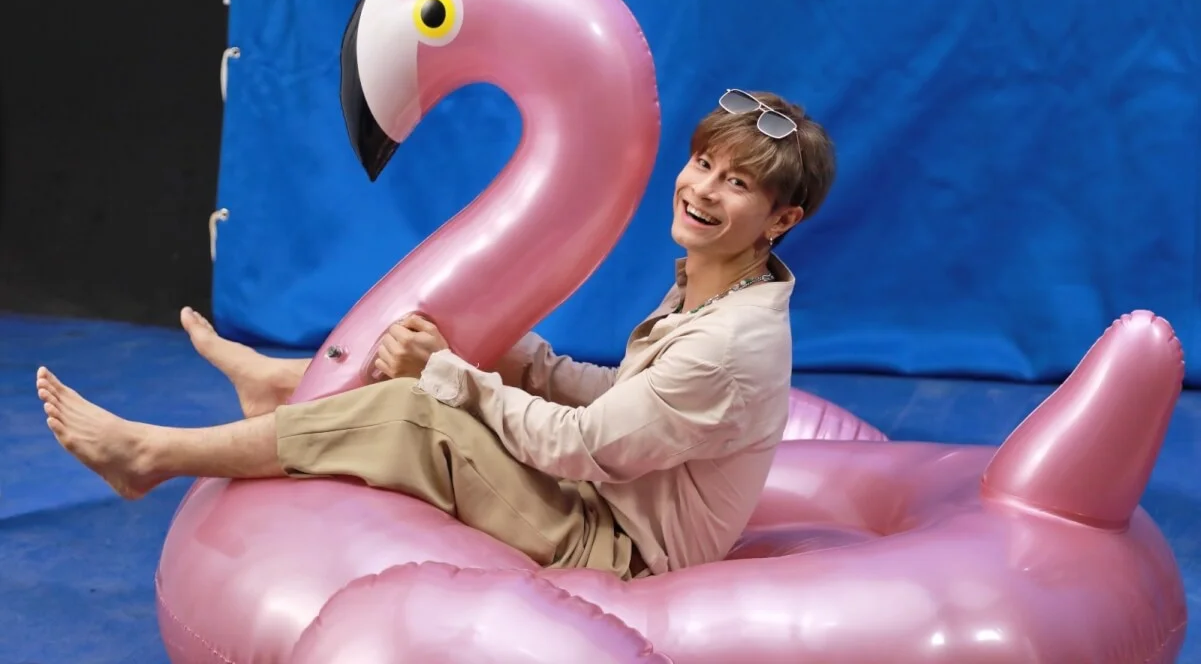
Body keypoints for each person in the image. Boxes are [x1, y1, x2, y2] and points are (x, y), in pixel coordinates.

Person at [35, 89, 836, 580]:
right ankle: (279, 383)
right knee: (481, 348)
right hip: (606, 496)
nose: (702, 189)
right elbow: (626, 401)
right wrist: (516, 358)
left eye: (737, 184)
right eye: (703, 164)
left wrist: (451, 374)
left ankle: (151, 456)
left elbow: (583, 445)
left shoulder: (727, 345)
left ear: (781, 219)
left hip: (618, 544)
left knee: (416, 413)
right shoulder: (715, 286)